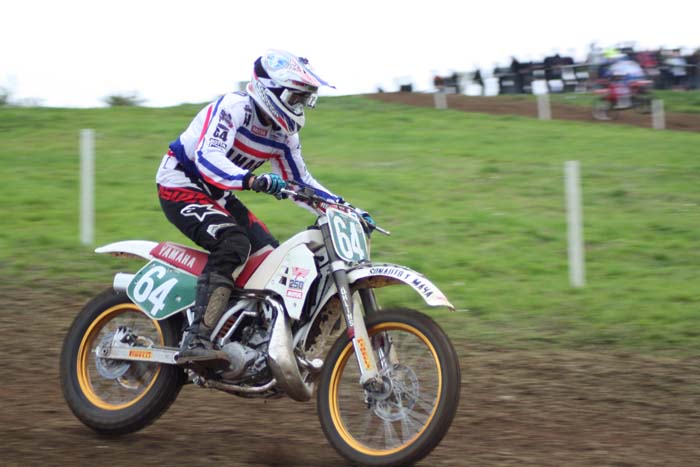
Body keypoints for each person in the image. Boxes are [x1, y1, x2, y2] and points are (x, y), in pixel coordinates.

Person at [156, 49, 352, 362]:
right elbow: (208, 158)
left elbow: (300, 183)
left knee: (273, 260)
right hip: (180, 183)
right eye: (295, 98)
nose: (299, 107)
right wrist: (250, 180)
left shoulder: (283, 136)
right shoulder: (233, 108)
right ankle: (196, 340)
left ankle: (241, 332)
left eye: (303, 100)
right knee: (234, 244)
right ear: (270, 89)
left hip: (218, 193)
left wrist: (344, 208)